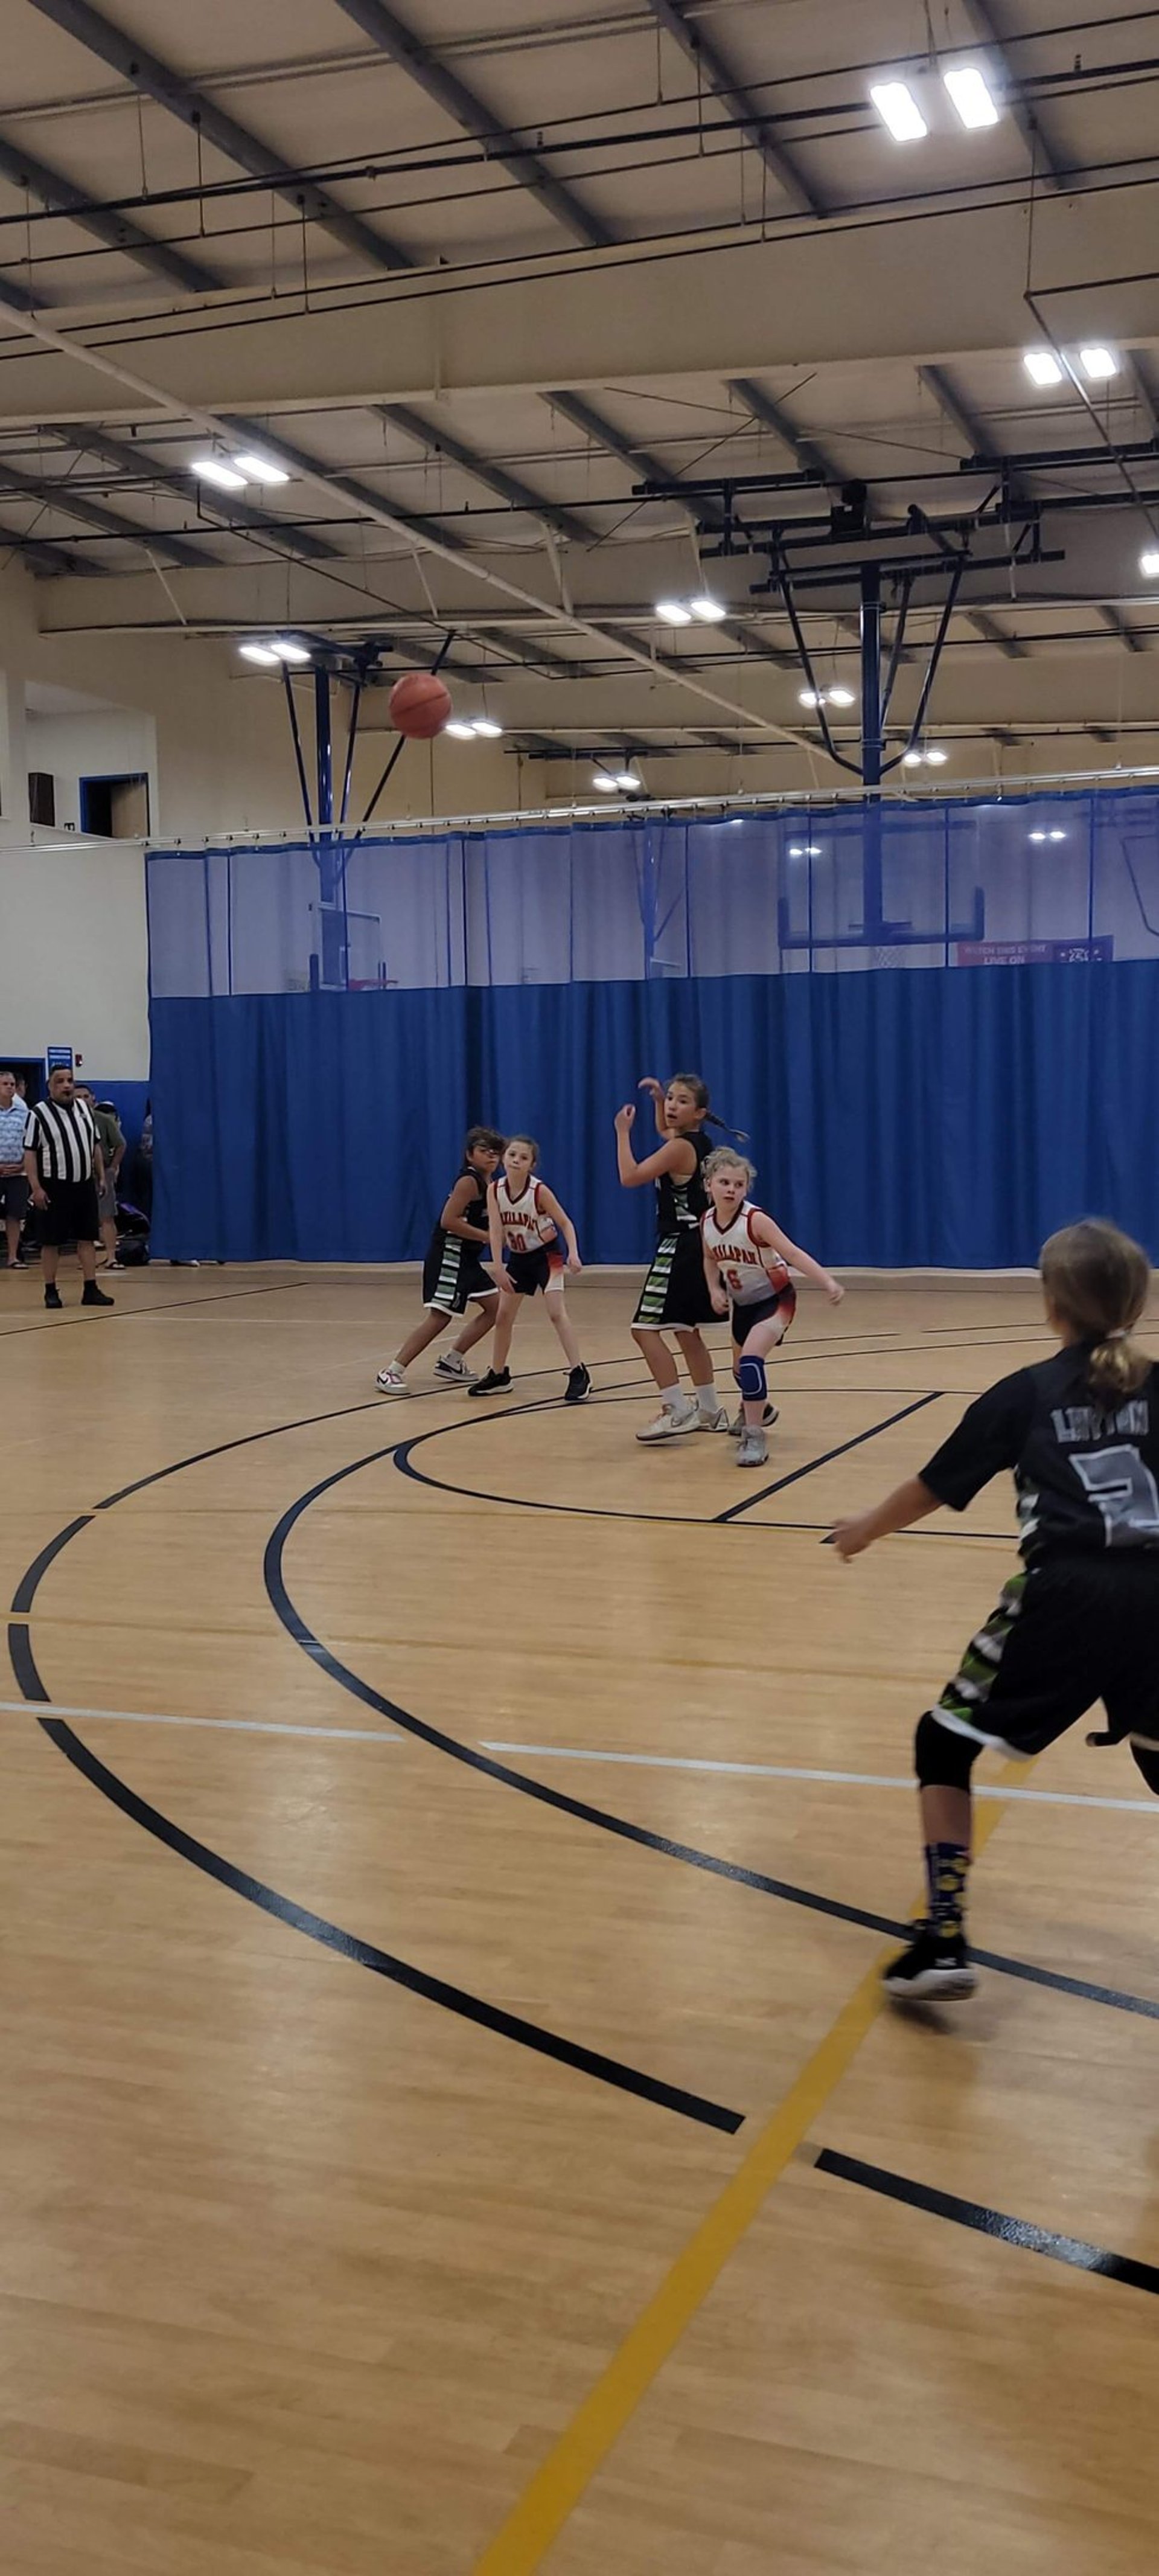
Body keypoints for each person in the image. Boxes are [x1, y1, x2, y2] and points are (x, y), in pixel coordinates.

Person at [831, 1218, 1159, 2005]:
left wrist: (863, 1530)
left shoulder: (1026, 1392)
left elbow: (937, 1485)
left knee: (942, 1744)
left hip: (1067, 1591)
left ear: (1053, 1305)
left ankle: (943, 1938)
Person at [702, 1148, 844, 1467]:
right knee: (740, 1372)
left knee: (752, 1361)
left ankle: (754, 1436)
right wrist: (713, 1288)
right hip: (742, 1305)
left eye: (738, 1185)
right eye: (724, 1182)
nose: (731, 1190)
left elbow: (792, 1254)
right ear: (708, 1185)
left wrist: (827, 1282)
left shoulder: (756, 1220)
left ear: (746, 1189)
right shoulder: (707, 1221)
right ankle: (758, 1408)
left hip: (776, 1300)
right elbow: (710, 1258)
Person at [615, 1072, 733, 1441]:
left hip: (678, 1246)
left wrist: (621, 1133)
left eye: (681, 1101)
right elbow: (667, 1136)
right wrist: (655, 1104)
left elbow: (630, 1176)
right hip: (698, 1243)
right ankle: (711, 1410)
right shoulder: (696, 1142)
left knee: (644, 1330)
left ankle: (677, 1408)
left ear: (699, 1112)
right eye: (670, 1098)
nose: (671, 1105)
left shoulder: (679, 1148)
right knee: (686, 1331)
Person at [376, 1126, 505, 1395]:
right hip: (450, 1254)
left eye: (495, 1152)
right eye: (484, 1151)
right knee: (440, 1317)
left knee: (496, 1308)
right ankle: (391, 1371)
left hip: (467, 1258)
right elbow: (449, 1221)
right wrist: (487, 1237)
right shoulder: (468, 1182)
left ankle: (452, 1361)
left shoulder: (491, 1184)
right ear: (470, 1155)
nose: (491, 1156)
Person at [470, 1134, 590, 1403]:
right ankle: (499, 1374)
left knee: (556, 1313)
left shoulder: (539, 1191)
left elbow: (566, 1223)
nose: (516, 1161)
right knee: (503, 1317)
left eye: (523, 1158)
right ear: (504, 1158)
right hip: (519, 1259)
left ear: (532, 1165)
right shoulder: (495, 1190)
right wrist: (498, 1267)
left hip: (547, 1255)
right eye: (512, 1155)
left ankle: (578, 1371)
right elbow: (497, 1230)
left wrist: (574, 1253)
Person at [22, 1065, 114, 1310]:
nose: (66, 1085)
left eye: (70, 1080)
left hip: (83, 1184)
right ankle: (51, 1290)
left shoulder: (85, 1109)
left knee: (87, 1237)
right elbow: (30, 1152)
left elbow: (94, 1144)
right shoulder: (38, 1114)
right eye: (60, 1081)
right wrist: (36, 1187)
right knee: (51, 1241)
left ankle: (91, 1287)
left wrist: (101, 1176)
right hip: (54, 1185)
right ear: (50, 1087)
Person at [77, 1088, 126, 1272]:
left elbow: (121, 1145)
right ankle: (85, 1260)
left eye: (86, 1096)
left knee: (107, 1215)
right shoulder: (68, 1119)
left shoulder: (104, 1120)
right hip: (77, 1174)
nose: (82, 1100)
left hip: (101, 1173)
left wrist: (112, 1168)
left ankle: (112, 1257)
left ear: (93, 1098)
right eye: (78, 1097)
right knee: (82, 1219)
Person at [0, 1069, 30, 1270]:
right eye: (5, 1084)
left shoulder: (24, 1113)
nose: (10, 1087)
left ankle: (13, 1256)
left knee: (15, 1215)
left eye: (12, 1084)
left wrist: (22, 1164)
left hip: (18, 1172)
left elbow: (30, 1143)